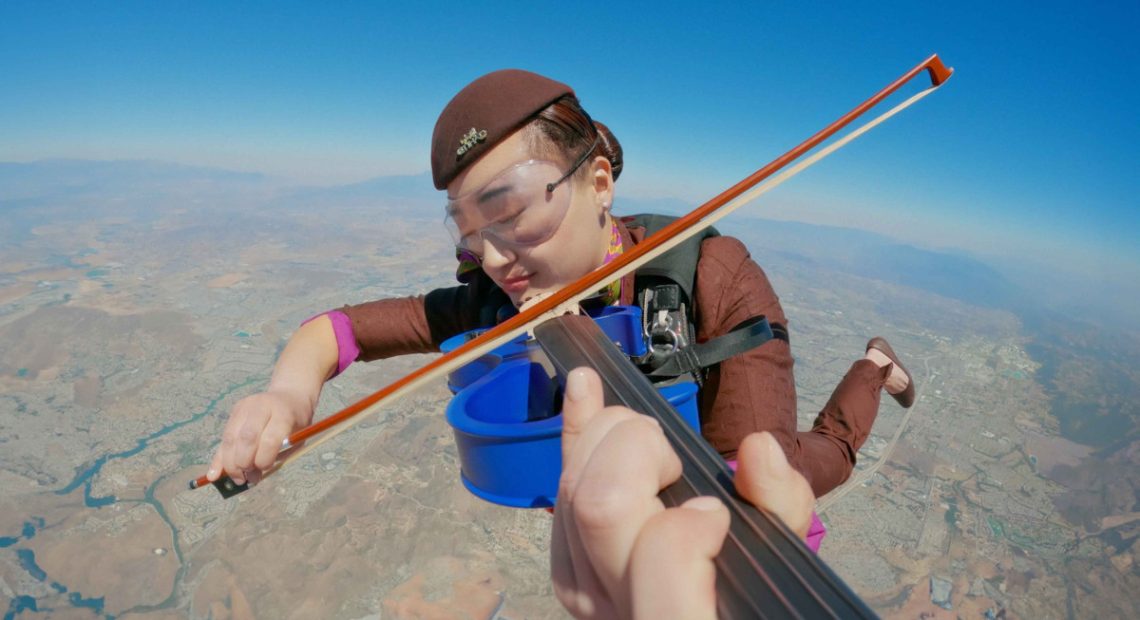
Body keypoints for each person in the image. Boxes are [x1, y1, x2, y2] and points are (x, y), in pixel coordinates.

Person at [207, 69, 916, 502]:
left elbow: (740, 497)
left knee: (798, 470)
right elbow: (338, 332)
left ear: (598, 185)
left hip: (728, 398)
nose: (492, 256)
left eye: (512, 213)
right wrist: (286, 395)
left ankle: (874, 367)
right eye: (467, 230)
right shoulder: (497, 294)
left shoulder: (710, 276)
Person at [551, 367, 815, 619]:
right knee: (837, 444)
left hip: (738, 478)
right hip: (752, 482)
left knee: (836, 442)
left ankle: (861, 370)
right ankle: (860, 367)